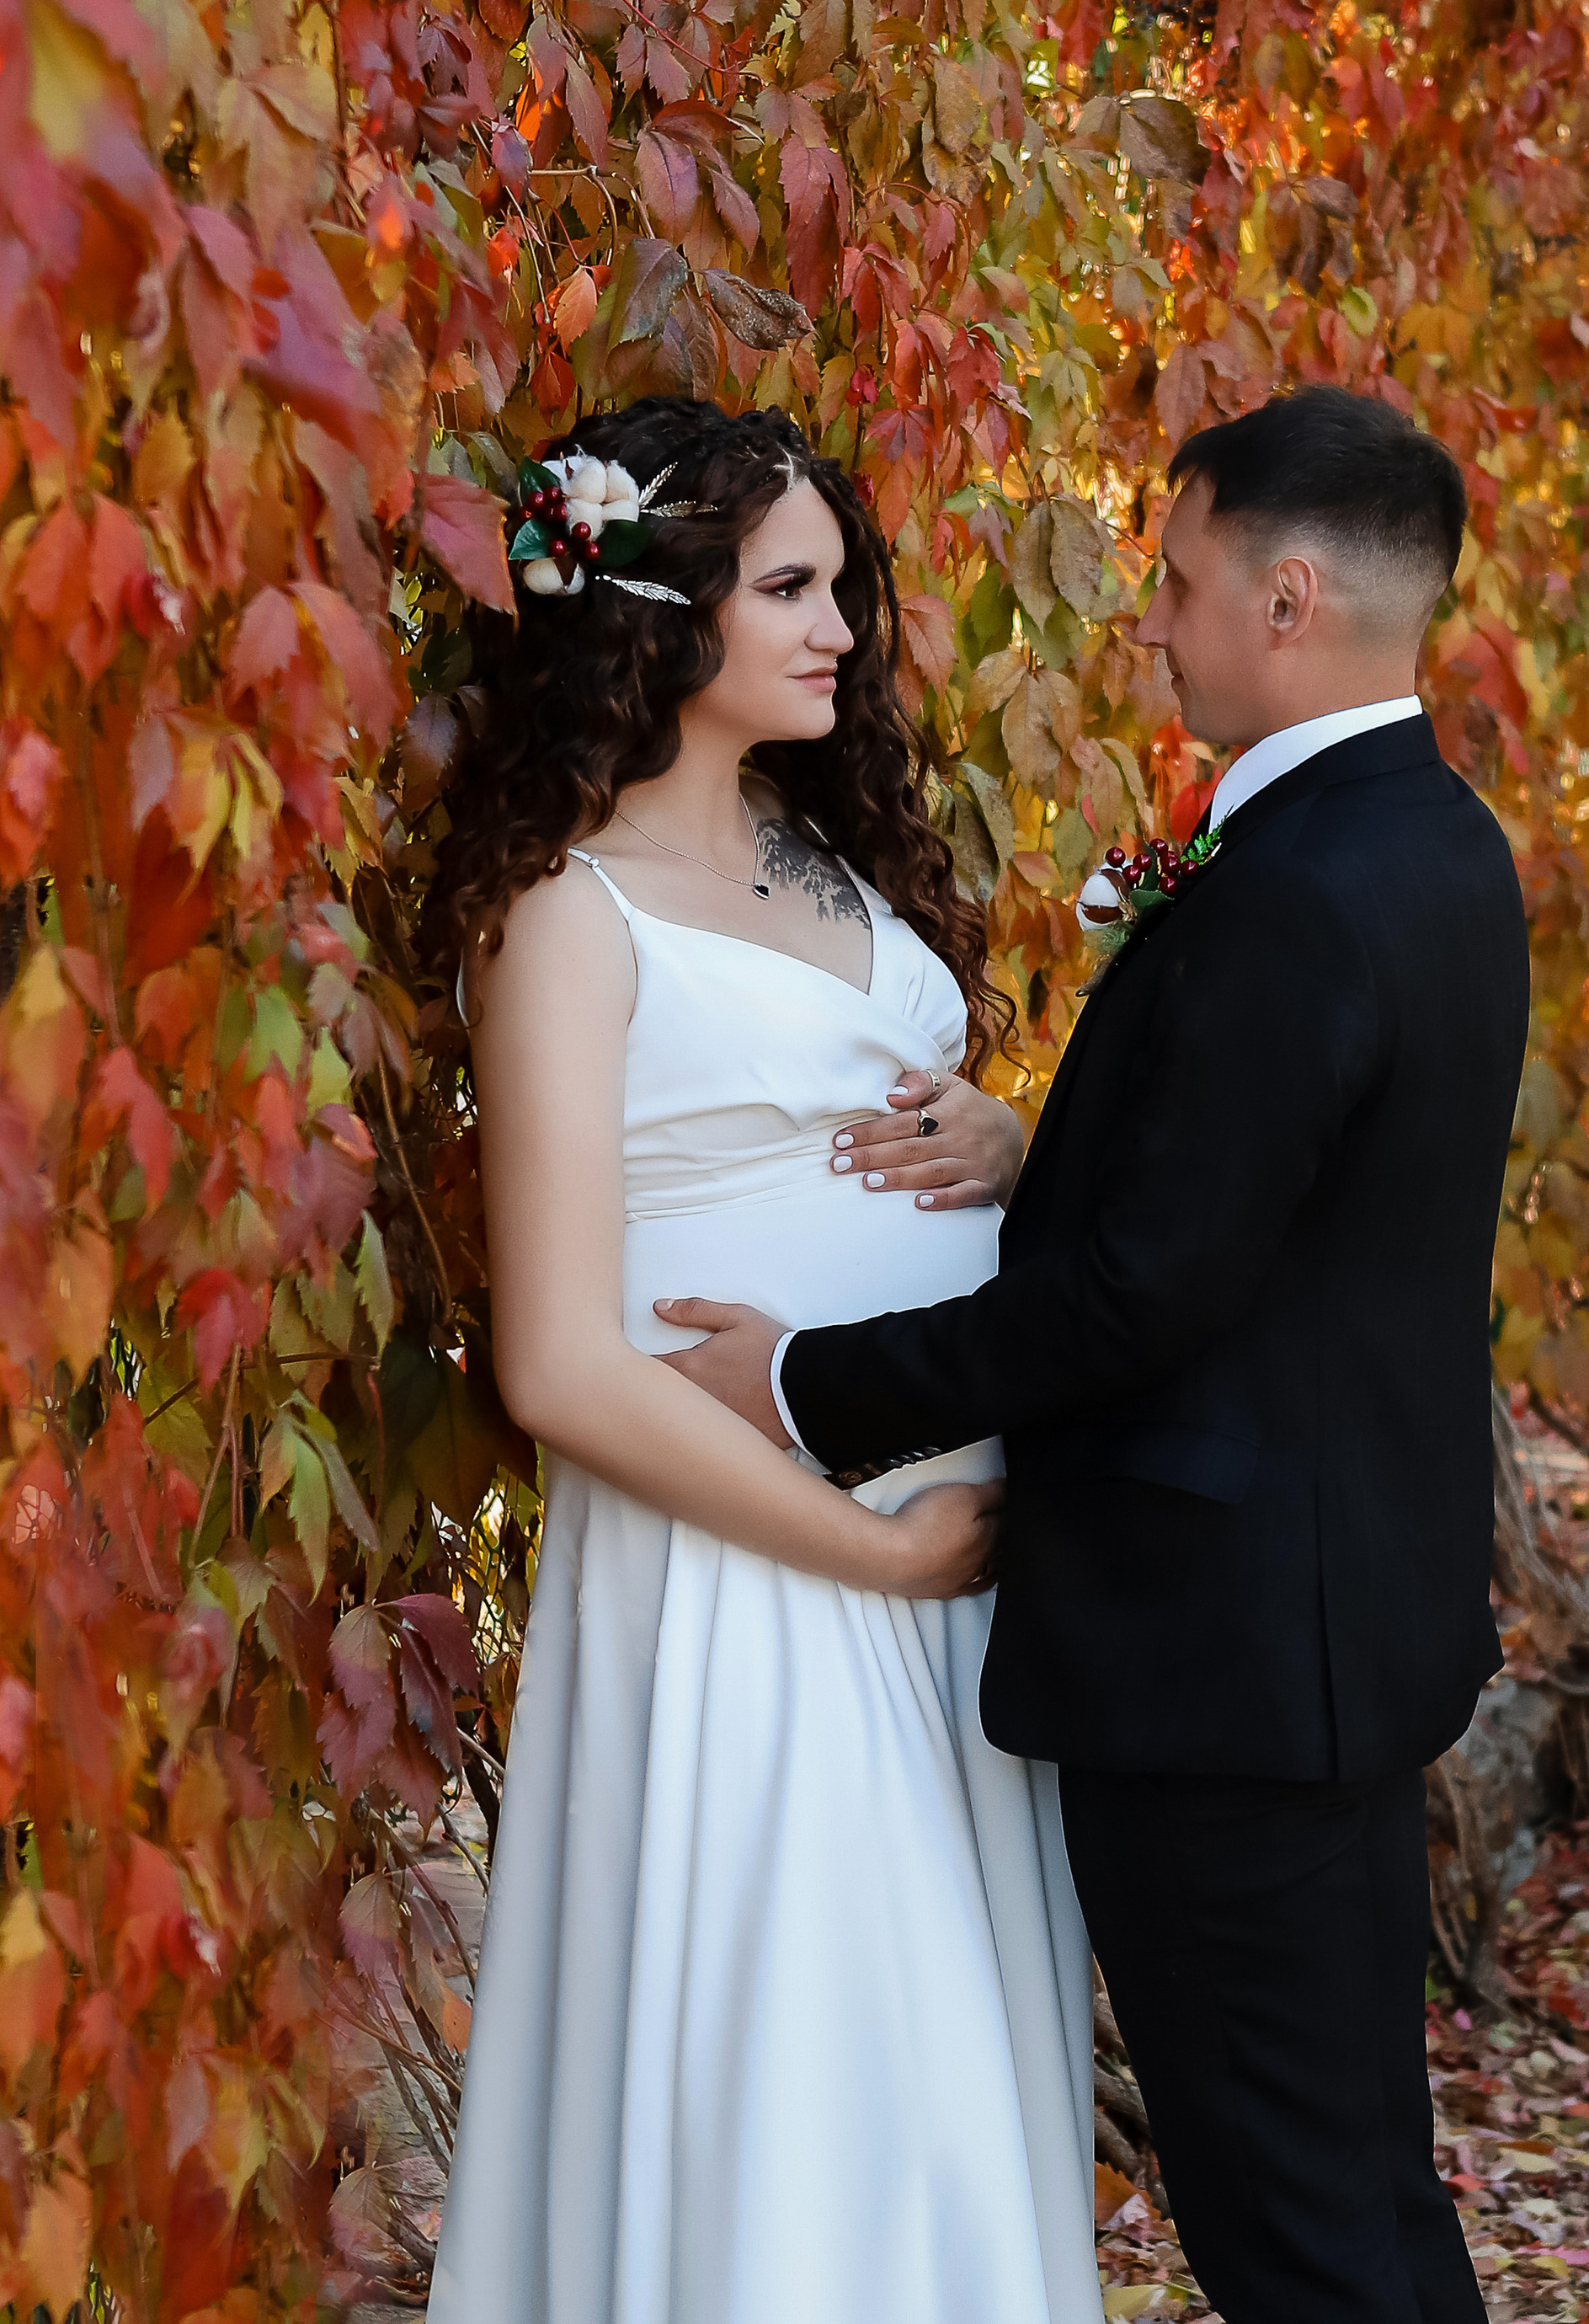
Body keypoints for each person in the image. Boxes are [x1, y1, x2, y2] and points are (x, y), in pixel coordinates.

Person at [661, 383, 1532, 2324]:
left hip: (1221, 1670)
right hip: (1331, 1632)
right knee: (1358, 2200)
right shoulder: (1432, 847)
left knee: (1297, 2236)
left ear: (1286, 598)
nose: (1146, 616)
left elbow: (1145, 1296)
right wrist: (1041, 1153)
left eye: (1177, 574)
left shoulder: (1292, 894)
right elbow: (1293, 1204)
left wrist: (807, 1384)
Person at [421, 397, 1100, 2324]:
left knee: (949, 2083)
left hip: (933, 1568)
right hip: (748, 1575)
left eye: (838, 588)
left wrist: (1008, 1142)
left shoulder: (833, 866)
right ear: (656, 606)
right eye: (789, 588)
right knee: (812, 2093)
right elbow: (557, 1360)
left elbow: (876, 1140)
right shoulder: (564, 911)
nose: (839, 631)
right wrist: (862, 1550)